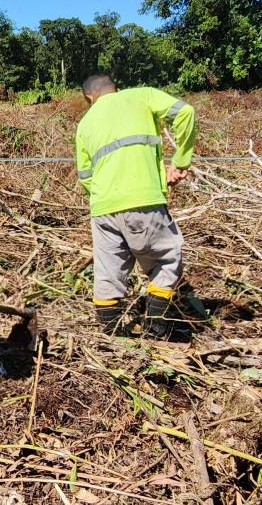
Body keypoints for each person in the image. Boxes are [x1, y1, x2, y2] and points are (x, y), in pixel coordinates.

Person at [75, 74, 196, 337]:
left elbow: (85, 175)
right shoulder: (142, 96)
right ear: (116, 88)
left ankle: (112, 340)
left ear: (89, 97)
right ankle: (156, 330)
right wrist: (180, 161)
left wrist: (107, 196)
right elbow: (185, 112)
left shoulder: (85, 123)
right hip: (144, 200)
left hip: (102, 208)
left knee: (108, 274)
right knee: (167, 260)